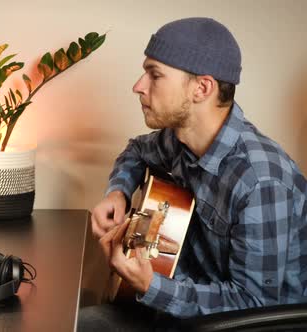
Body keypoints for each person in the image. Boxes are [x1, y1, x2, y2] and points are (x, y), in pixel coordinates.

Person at [79, 17, 307, 330]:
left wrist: (151, 286)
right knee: (67, 320)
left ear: (201, 88)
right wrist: (117, 191)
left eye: (154, 75)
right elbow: (135, 151)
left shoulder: (260, 180)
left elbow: (255, 306)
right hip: (176, 306)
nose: (138, 86)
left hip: (229, 325)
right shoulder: (177, 140)